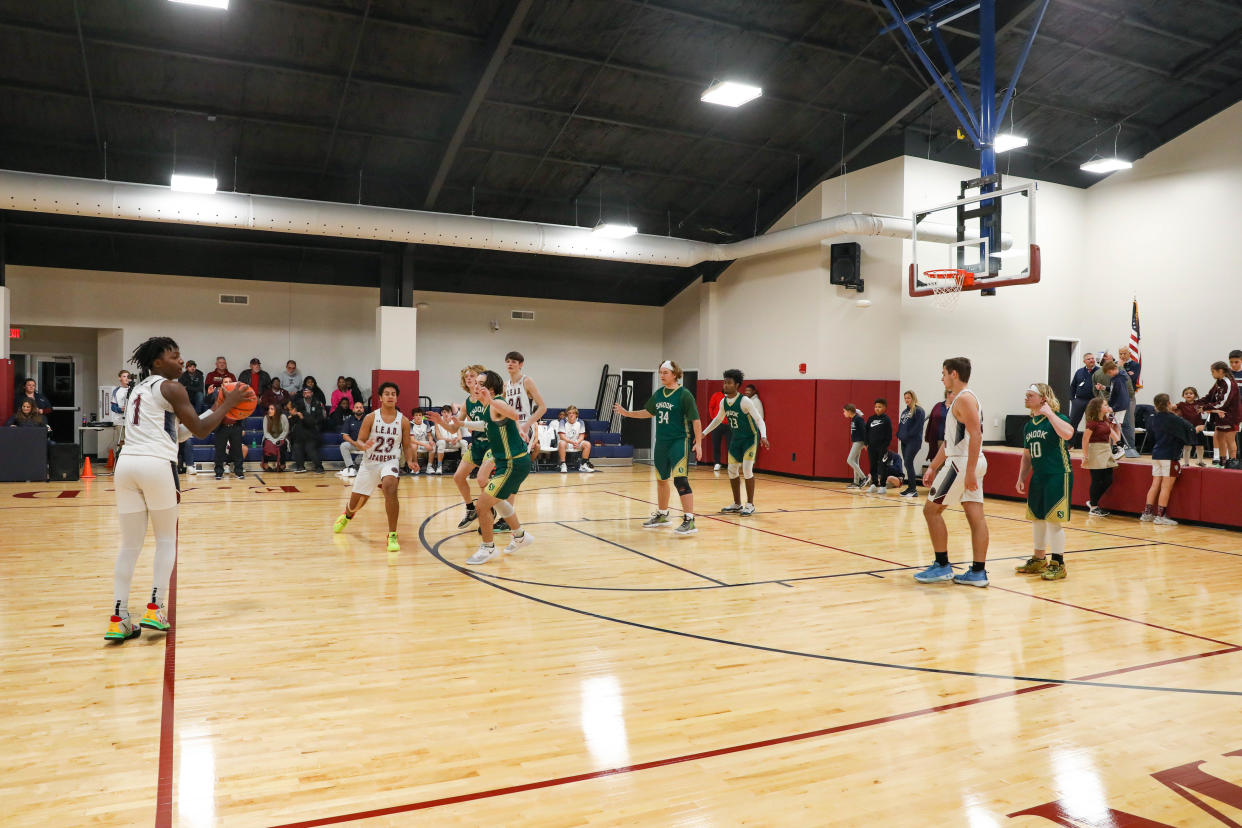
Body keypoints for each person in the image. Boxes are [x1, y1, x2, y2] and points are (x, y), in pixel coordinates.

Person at [105, 336, 252, 642]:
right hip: (156, 467)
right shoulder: (172, 387)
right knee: (166, 540)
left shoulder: (138, 389)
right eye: (175, 356)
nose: (181, 361)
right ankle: (155, 608)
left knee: (129, 545)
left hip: (126, 466)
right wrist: (228, 403)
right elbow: (199, 431)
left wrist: (215, 407)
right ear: (157, 362)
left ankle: (119, 617)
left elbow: (178, 433)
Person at [915, 357, 990, 587]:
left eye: (944, 373)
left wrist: (968, 471)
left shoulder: (965, 398)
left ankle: (942, 565)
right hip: (966, 460)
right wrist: (934, 467)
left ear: (954, 374)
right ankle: (978, 572)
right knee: (975, 515)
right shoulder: (960, 399)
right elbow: (950, 443)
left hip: (963, 462)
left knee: (931, 511)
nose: (942, 377)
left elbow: (976, 435)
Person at [614, 359, 703, 536]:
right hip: (661, 442)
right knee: (661, 479)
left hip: (679, 441)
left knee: (680, 479)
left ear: (675, 374)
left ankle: (689, 519)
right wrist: (628, 413)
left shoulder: (684, 394)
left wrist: (698, 443)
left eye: (665, 373)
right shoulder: (659, 393)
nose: (662, 376)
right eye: (660, 372)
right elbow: (649, 412)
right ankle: (663, 515)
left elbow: (696, 420)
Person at [332, 383, 418, 552]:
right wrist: (363, 445)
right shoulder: (371, 417)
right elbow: (361, 440)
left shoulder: (404, 421)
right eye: (386, 393)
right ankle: (348, 514)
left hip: (390, 461)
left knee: (390, 487)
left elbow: (407, 445)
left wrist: (409, 461)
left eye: (393, 393)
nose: (390, 396)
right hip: (370, 463)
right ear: (380, 397)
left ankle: (392, 534)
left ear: (396, 397)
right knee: (356, 503)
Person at [463, 370, 534, 565]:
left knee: (482, 505)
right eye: (475, 383)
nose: (476, 386)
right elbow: (485, 424)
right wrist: (458, 422)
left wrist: (492, 401)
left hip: (514, 463)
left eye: (480, 383)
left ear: (491, 387)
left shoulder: (498, 403)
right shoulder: (488, 407)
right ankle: (520, 536)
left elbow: (514, 414)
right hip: (507, 462)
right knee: (491, 496)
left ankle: (488, 548)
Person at [1013, 383, 1076, 581]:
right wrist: (1021, 476)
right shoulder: (1029, 425)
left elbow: (1068, 434)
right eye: (1026, 394)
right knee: (1037, 518)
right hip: (1039, 476)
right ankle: (1039, 559)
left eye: (1030, 395)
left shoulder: (1057, 418)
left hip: (1058, 474)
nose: (1026, 398)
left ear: (1043, 398)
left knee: (1053, 520)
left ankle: (1058, 563)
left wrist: (1050, 414)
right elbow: (1026, 455)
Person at [482, 351, 548, 532]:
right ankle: (497, 506)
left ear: (521, 364)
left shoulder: (526, 381)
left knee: (512, 470)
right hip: (511, 429)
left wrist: (527, 425)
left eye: (514, 361)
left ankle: (504, 516)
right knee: (491, 471)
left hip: (524, 430)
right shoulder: (505, 385)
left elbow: (543, 407)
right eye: (507, 361)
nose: (510, 364)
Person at [427, 365, 491, 529]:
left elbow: (487, 424)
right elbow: (454, 429)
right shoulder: (467, 403)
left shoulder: (488, 398)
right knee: (458, 477)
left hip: (492, 445)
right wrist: (441, 422)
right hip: (477, 444)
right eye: (466, 377)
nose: (469, 379)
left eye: (472, 376)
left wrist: (464, 423)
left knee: (482, 480)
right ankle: (471, 509)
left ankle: (487, 512)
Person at [701, 369, 769, 515]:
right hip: (736, 440)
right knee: (732, 470)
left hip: (750, 439)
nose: (725, 385)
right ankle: (737, 504)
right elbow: (718, 419)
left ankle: (750, 504)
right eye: (724, 382)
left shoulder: (745, 401)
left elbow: (759, 420)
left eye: (729, 383)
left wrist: (763, 436)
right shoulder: (723, 402)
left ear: (737, 385)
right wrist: (703, 433)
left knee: (746, 470)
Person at [1142, 393, 1205, 525]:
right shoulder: (1174, 419)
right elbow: (1189, 430)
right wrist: (1197, 430)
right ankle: (1161, 516)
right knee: (1166, 487)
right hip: (1169, 455)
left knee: (1155, 484)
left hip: (1157, 453)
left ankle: (1147, 514)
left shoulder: (1154, 417)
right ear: (1169, 404)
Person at [1081, 397, 1120, 516]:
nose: (1107, 406)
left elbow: (1116, 437)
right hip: (1095, 451)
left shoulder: (1106, 421)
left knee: (1108, 480)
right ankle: (1093, 506)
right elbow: (1085, 439)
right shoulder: (1092, 423)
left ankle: (1093, 502)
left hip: (1105, 450)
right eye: (1105, 405)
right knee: (1097, 480)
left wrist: (1116, 424)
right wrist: (1085, 455)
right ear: (1098, 407)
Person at [1198, 361, 1239, 467]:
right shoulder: (1218, 382)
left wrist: (1205, 407)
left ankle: (1233, 462)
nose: (1212, 374)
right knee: (1219, 438)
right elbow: (1209, 396)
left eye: (1213, 371)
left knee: (1230, 440)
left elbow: (1223, 402)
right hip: (1219, 415)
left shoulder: (1229, 383)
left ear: (1220, 371)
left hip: (1230, 416)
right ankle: (1222, 461)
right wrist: (1198, 404)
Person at [1101, 361, 1135, 457]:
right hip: (1119, 407)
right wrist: (1104, 388)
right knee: (1116, 426)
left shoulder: (1118, 380)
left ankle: (1118, 448)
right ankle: (1116, 447)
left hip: (1117, 407)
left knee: (1112, 427)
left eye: (1109, 373)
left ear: (1114, 370)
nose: (1109, 375)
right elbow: (1113, 390)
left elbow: (1122, 396)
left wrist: (1113, 408)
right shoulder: (1117, 378)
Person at [288, 387, 325, 473]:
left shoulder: (317, 403)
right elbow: (295, 418)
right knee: (297, 445)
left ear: (312, 393)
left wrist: (305, 419)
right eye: (305, 393)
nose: (307, 394)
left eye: (308, 392)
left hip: (313, 432)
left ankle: (319, 467)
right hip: (301, 432)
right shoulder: (298, 404)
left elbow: (320, 418)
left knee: (310, 447)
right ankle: (300, 466)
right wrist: (293, 417)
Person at [211, 392, 246, 481]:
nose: (228, 383)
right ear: (222, 385)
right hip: (221, 427)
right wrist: (209, 394)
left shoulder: (237, 396)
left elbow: (243, 411)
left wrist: (242, 427)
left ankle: (239, 471)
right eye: (226, 382)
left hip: (235, 427)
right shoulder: (217, 396)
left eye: (229, 381)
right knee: (219, 451)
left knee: (237, 450)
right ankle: (218, 472)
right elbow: (208, 403)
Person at [897, 390, 925, 498]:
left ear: (913, 398)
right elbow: (901, 425)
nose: (906, 400)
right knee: (907, 464)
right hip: (904, 441)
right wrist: (899, 434)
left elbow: (917, 427)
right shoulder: (904, 412)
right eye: (905, 398)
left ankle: (913, 489)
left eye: (908, 398)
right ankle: (910, 488)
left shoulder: (919, 411)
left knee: (908, 462)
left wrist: (907, 435)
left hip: (913, 442)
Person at [1068, 352, 1098, 446]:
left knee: (1092, 424)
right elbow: (1073, 386)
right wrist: (1073, 399)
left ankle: (1091, 444)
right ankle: (1069, 444)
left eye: (1092, 358)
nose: (1091, 360)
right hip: (1079, 401)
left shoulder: (1099, 371)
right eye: (1089, 359)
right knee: (1073, 422)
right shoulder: (1079, 372)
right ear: (1084, 361)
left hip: (1093, 401)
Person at [865, 398, 893, 494]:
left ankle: (883, 486)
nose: (877, 408)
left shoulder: (886, 419)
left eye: (880, 407)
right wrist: (866, 444)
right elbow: (866, 432)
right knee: (873, 465)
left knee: (882, 466)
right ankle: (874, 484)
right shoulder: (870, 419)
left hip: (882, 447)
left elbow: (889, 435)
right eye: (876, 407)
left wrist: (885, 446)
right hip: (871, 447)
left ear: (885, 408)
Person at [557, 406, 596, 473]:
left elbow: (582, 436)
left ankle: (583, 465)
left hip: (576, 442)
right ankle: (563, 464)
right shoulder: (563, 421)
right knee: (561, 443)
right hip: (566, 442)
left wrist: (577, 442)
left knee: (587, 444)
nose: (571, 414)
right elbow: (562, 436)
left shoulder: (581, 422)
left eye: (573, 413)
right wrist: (572, 442)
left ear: (576, 414)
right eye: (569, 413)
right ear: (567, 414)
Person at [1117, 346, 1140, 457]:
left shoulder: (1135, 365)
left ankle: (1131, 447)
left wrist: (1121, 368)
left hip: (1129, 397)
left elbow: (1131, 379)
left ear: (1129, 353)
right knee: (1115, 422)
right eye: (1120, 353)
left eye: (1124, 353)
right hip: (1117, 397)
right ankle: (1117, 447)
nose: (1122, 356)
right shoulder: (1116, 364)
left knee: (1129, 422)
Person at [337, 400, 368, 478]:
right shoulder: (349, 420)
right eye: (357, 407)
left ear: (363, 409)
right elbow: (345, 435)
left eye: (361, 407)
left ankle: (359, 464)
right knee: (343, 445)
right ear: (353, 409)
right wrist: (354, 443)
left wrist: (364, 444)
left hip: (366, 445)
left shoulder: (368, 419)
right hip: (354, 443)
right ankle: (351, 467)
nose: (359, 409)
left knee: (375, 446)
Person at [1176, 387, 1206, 467]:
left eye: (1191, 393)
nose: (1188, 395)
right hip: (1187, 429)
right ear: (1183, 395)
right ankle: (1186, 463)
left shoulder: (1198, 404)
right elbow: (1173, 408)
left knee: (1200, 446)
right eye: (1186, 393)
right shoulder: (1181, 404)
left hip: (1198, 428)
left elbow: (1207, 409)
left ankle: (1200, 461)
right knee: (1187, 446)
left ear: (1195, 395)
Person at [924, 388, 950, 473]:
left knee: (948, 466)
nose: (950, 395)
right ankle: (935, 485)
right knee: (936, 464)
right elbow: (931, 421)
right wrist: (927, 436)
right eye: (948, 393)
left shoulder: (956, 407)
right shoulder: (938, 406)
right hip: (937, 440)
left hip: (950, 441)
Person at [843, 404, 867, 489]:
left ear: (849, 411)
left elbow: (864, 431)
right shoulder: (854, 419)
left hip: (859, 442)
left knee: (849, 460)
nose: (844, 413)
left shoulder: (858, 419)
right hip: (856, 442)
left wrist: (865, 443)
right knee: (855, 462)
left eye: (844, 411)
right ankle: (856, 482)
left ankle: (864, 478)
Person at [432, 405, 461, 474]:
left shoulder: (455, 421)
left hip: (454, 443)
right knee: (441, 442)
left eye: (448, 412)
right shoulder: (437, 422)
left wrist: (456, 439)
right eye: (444, 412)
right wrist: (450, 440)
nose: (446, 414)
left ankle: (462, 467)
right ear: (441, 413)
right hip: (443, 442)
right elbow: (439, 437)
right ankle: (439, 466)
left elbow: (460, 436)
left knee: (464, 443)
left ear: (451, 413)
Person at [707, 387, 730, 472]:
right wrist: (714, 419)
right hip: (717, 424)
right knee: (716, 444)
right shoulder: (716, 395)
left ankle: (731, 464)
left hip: (729, 425)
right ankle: (717, 463)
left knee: (730, 445)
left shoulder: (732, 397)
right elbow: (711, 407)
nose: (726, 386)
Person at [261, 403, 289, 472]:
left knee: (282, 444)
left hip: (281, 437)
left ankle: (282, 465)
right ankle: (265, 464)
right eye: (269, 409)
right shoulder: (266, 418)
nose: (269, 411)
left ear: (277, 410)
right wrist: (274, 441)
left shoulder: (283, 417)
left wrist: (278, 439)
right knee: (267, 443)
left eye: (272, 409)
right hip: (269, 438)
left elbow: (286, 431)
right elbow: (266, 433)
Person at [408, 409, 436, 475]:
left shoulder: (426, 422)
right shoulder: (410, 424)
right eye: (416, 415)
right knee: (413, 446)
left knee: (433, 445)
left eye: (420, 415)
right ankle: (415, 467)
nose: (418, 417)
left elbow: (429, 435)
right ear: (413, 417)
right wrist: (425, 445)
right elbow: (412, 440)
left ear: (422, 416)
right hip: (415, 443)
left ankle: (429, 467)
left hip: (424, 442)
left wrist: (431, 440)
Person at [1231, 350, 1242, 460]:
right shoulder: (1227, 374)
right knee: (1231, 434)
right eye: (1231, 362)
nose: (1234, 364)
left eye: (1236, 362)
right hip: (1232, 409)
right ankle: (1232, 459)